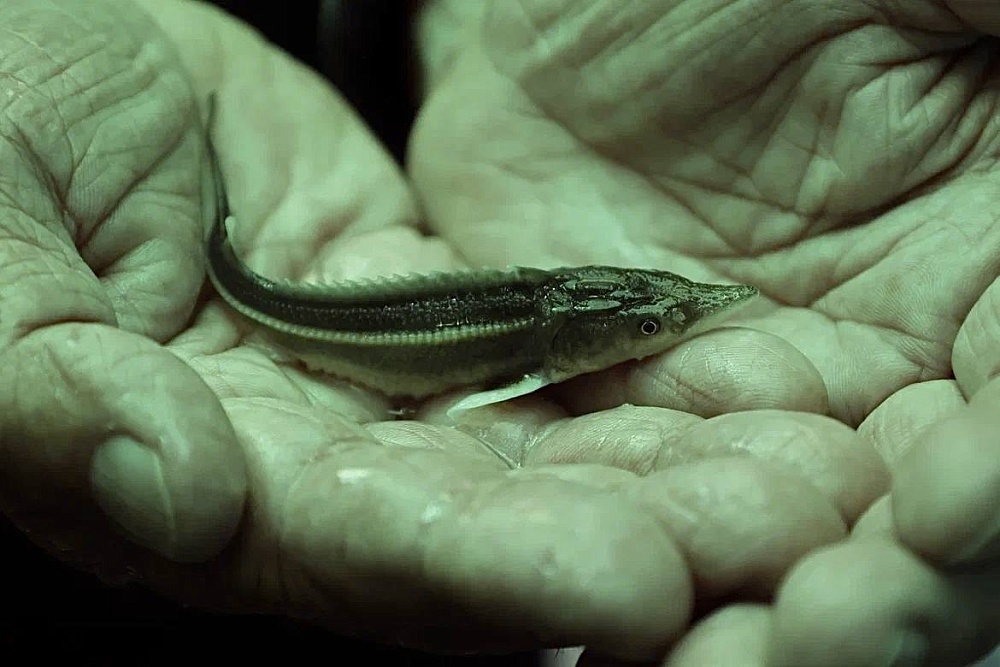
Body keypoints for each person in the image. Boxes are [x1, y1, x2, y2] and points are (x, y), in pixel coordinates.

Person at [2, 0, 999, 664]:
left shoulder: (564, 308)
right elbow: (491, 385)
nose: (659, 328)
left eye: (652, 314)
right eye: (648, 320)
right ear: (559, 351)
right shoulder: (526, 357)